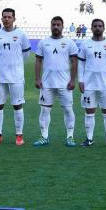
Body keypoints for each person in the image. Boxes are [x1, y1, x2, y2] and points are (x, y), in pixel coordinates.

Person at [33, 16, 78, 147]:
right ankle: (44, 136)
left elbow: (74, 62)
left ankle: (70, 137)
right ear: (50, 26)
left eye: (58, 24)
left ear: (63, 26)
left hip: (65, 84)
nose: (56, 27)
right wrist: (37, 78)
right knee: (45, 110)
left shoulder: (69, 43)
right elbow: (38, 61)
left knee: (68, 110)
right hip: (47, 83)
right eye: (53, 24)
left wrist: (73, 80)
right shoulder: (43, 42)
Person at [0, 8, 31, 146]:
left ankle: (19, 135)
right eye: (4, 17)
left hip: (16, 75)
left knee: (17, 105)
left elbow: (26, 53)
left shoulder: (21, 34)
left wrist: (15, 64)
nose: (6, 19)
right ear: (1, 19)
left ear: (14, 19)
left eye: (9, 17)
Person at [78, 19, 106, 147]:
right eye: (95, 26)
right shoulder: (85, 44)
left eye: (100, 26)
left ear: (104, 28)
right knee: (89, 111)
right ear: (91, 28)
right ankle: (89, 139)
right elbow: (81, 63)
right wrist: (80, 80)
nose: (97, 28)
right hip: (89, 83)